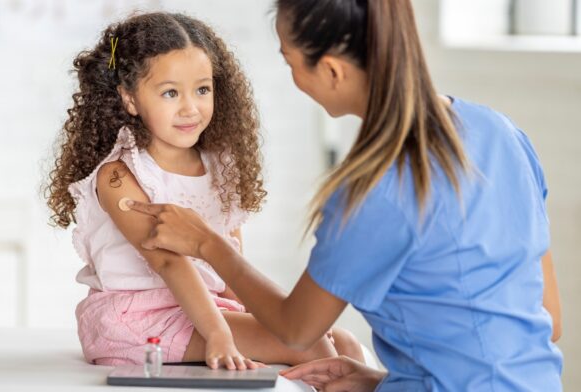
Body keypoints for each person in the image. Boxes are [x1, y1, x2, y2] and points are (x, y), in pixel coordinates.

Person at [124, 0, 563, 390]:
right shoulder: (501, 133)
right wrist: (389, 381)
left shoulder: (372, 189)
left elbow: (296, 330)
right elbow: (546, 319)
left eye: (290, 61)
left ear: (332, 70)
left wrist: (206, 242)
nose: (293, 76)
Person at [45, 11, 363, 370]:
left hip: (204, 310)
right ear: (130, 99)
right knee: (314, 347)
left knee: (347, 343)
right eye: (170, 93)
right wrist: (219, 334)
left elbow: (231, 260)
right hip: (138, 318)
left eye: (202, 89)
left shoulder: (220, 167)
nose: (190, 108)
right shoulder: (119, 175)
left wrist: (246, 320)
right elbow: (167, 260)